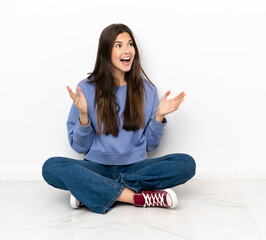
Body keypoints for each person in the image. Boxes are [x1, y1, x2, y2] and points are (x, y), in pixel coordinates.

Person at [42, 23, 196, 214]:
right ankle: (135, 197)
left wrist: (159, 116)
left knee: (186, 163)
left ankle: (93, 191)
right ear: (106, 52)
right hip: (96, 167)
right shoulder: (86, 88)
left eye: (130, 44)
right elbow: (79, 147)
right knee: (51, 167)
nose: (127, 50)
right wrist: (83, 115)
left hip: (135, 169)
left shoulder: (147, 90)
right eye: (119, 45)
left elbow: (150, 147)